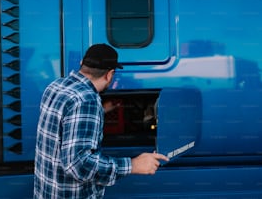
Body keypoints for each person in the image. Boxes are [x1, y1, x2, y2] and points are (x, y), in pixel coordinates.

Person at [33, 43, 169, 199]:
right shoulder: (86, 100)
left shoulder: (56, 86)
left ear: (81, 65)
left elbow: (62, 125)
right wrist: (132, 165)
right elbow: (78, 165)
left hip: (47, 191)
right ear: (110, 75)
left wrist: (102, 110)